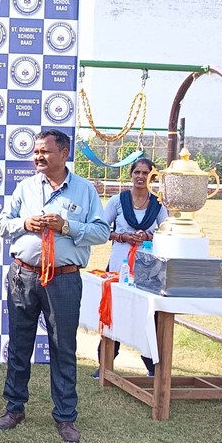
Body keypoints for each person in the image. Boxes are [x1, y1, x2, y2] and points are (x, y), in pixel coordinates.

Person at [0, 129, 109, 443]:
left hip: (64, 279)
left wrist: (66, 226)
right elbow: (3, 224)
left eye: (44, 151)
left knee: (63, 346)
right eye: (35, 152)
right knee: (19, 344)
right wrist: (25, 223)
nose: (38, 157)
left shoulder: (85, 190)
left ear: (64, 153)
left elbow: (102, 232)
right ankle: (14, 407)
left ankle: (65, 416)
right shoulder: (25, 187)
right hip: (24, 275)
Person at [95, 157, 167, 378]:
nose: (140, 177)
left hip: (147, 268)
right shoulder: (118, 201)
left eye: (146, 173)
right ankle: (105, 364)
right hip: (120, 264)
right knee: (114, 311)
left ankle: (152, 365)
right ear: (131, 174)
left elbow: (167, 232)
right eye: (137, 172)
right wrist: (122, 236)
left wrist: (148, 236)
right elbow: (100, 229)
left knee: (149, 315)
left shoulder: (158, 204)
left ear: (152, 177)